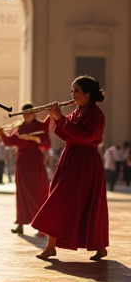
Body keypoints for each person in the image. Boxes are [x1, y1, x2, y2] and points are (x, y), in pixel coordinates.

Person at [31, 75, 109, 261]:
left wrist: (60, 118)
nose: (72, 95)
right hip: (70, 159)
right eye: (71, 91)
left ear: (87, 94)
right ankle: (51, 246)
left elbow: (83, 137)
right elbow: (66, 133)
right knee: (57, 198)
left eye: (76, 91)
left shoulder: (96, 115)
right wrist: (56, 118)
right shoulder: (77, 112)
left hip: (86, 163)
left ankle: (99, 246)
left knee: (88, 203)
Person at [0, 104, 51, 235]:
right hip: (22, 163)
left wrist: (31, 138)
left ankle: (42, 226)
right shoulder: (19, 127)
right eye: (24, 113)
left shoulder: (40, 126)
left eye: (29, 113)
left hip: (36, 163)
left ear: (34, 113)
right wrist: (1, 132)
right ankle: (20, 224)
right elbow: (10, 142)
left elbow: (46, 145)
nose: (26, 115)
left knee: (38, 193)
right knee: (21, 193)